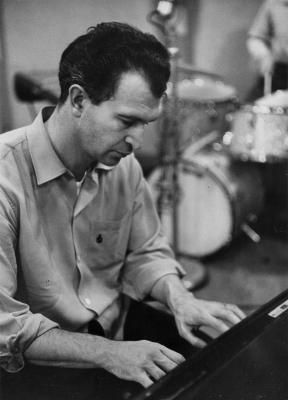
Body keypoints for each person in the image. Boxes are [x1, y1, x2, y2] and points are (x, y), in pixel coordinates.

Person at [0, 22, 245, 399]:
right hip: (36, 368)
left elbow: (145, 252)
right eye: (127, 121)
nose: (137, 141)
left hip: (115, 332)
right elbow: (5, 327)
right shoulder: (5, 177)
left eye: (145, 124)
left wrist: (181, 299)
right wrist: (110, 355)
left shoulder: (122, 165)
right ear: (79, 100)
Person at [246, 0, 288, 101]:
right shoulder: (274, 4)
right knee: (252, 109)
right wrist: (264, 54)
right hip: (279, 72)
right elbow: (255, 38)